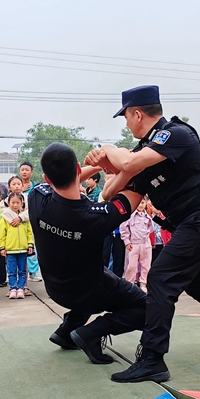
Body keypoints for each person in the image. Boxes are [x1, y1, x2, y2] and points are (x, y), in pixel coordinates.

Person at [85, 84, 200, 383]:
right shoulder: (143, 153)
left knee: (161, 278)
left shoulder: (174, 134)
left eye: (125, 117)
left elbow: (128, 162)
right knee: (197, 285)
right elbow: (109, 192)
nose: (126, 123)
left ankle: (152, 359)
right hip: (192, 224)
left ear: (137, 114)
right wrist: (117, 167)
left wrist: (111, 152)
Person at [28, 143, 146, 366]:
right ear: (78, 168)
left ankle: (66, 331)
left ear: (46, 178)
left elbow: (63, 181)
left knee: (90, 277)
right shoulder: (94, 216)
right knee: (149, 308)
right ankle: (92, 332)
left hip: (55, 289)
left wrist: (101, 168)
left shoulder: (36, 198)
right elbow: (135, 191)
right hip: (90, 290)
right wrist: (121, 164)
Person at [2, 176, 33, 296]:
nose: (16, 186)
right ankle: (12, 288)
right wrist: (13, 220)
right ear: (9, 186)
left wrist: (20, 218)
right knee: (11, 268)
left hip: (23, 238)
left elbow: (30, 212)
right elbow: (3, 213)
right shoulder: (4, 201)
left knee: (22, 267)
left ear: (22, 185)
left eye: (18, 183)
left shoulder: (27, 198)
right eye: (13, 184)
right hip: (11, 243)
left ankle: (23, 287)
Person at [120, 197, 154, 293]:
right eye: (138, 203)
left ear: (146, 203)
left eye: (142, 202)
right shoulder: (131, 216)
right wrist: (127, 241)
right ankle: (130, 283)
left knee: (146, 265)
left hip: (145, 244)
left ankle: (143, 283)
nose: (140, 205)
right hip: (133, 244)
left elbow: (151, 229)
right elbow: (123, 228)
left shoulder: (147, 217)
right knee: (131, 266)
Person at [101, 170, 126, 278]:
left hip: (121, 232)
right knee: (104, 256)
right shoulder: (102, 195)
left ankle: (118, 282)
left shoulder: (122, 195)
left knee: (119, 258)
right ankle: (102, 280)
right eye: (108, 179)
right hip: (106, 231)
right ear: (105, 180)